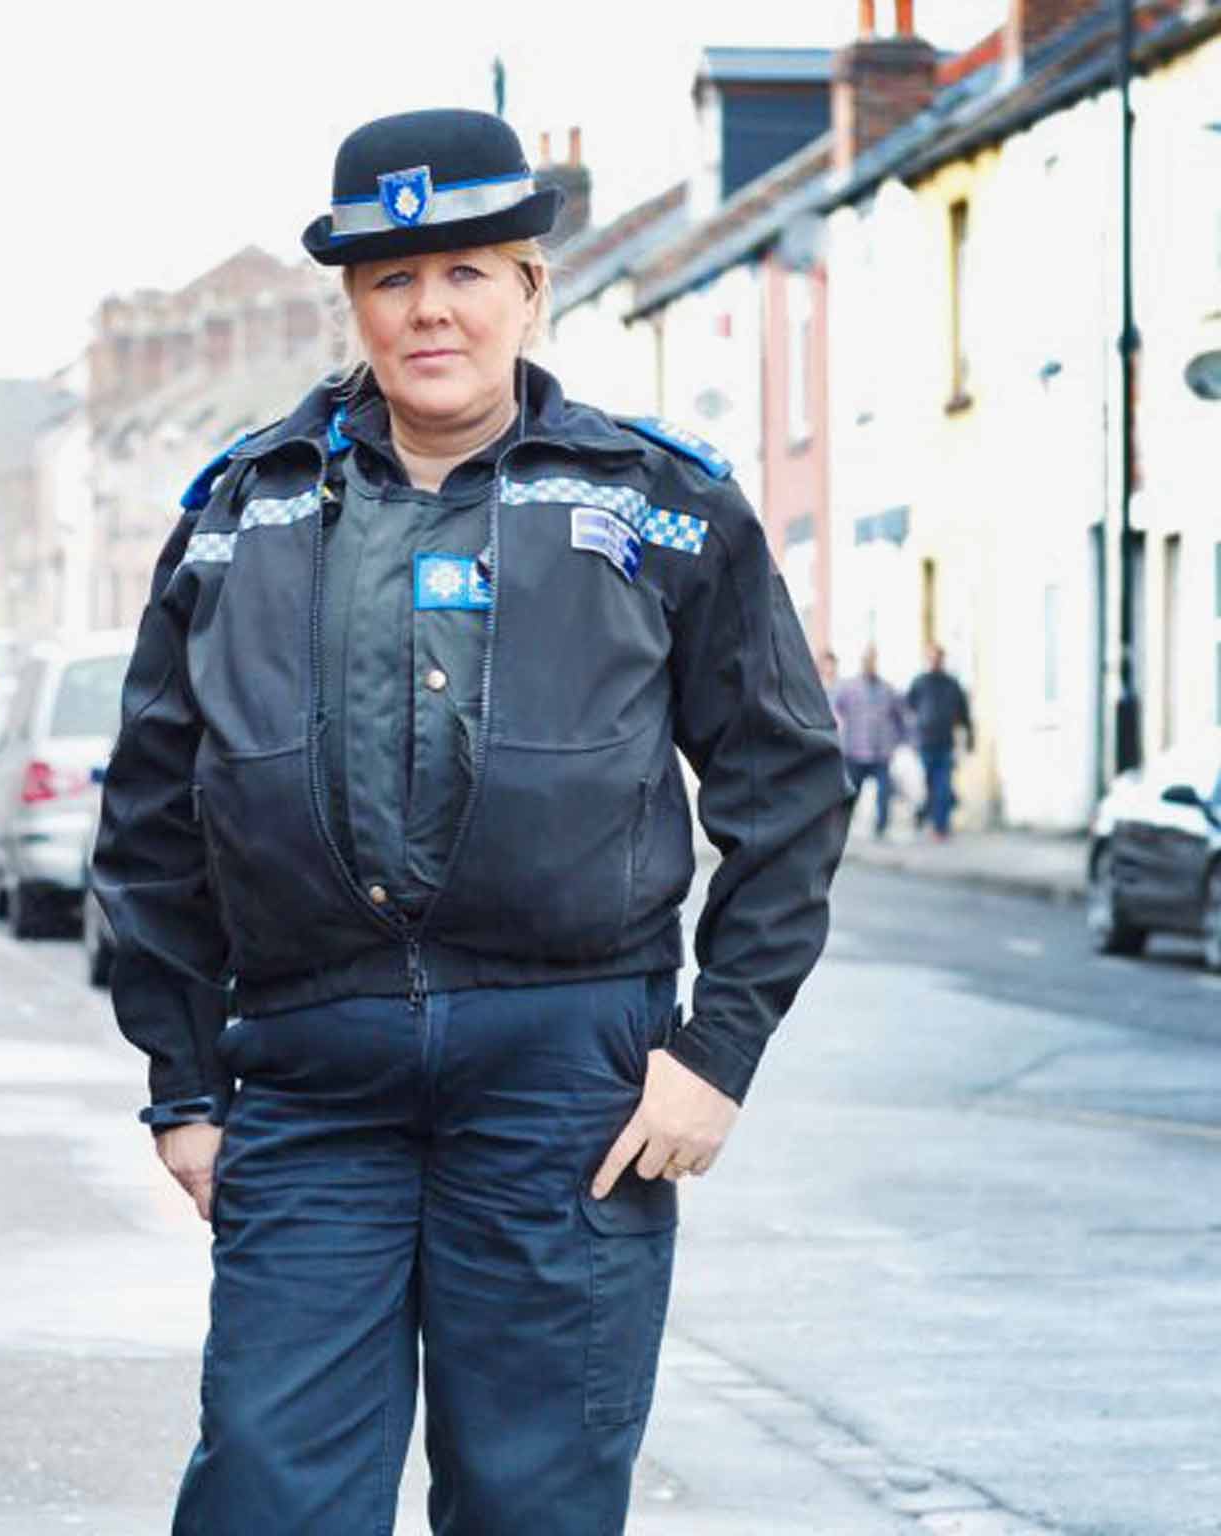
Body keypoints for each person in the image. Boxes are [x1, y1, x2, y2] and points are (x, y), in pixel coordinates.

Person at [91, 109, 851, 1534]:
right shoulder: (238, 517)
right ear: (353, 299)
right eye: (392, 277)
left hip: (572, 1089)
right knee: (267, 1492)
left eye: (465, 271)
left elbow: (787, 782)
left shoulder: (660, 506)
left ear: (529, 286)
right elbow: (150, 826)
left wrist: (717, 1053)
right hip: (311, 1096)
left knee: (535, 1503)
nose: (428, 307)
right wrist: (184, 1083)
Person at [831, 645, 911, 839]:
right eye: (867, 660)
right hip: (855, 751)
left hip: (881, 752)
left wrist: (899, 741)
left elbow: (901, 716)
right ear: (862, 663)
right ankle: (841, 829)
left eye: (873, 660)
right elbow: (834, 709)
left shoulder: (887, 689)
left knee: (884, 792)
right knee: (852, 793)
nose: (870, 664)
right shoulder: (849, 688)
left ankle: (881, 827)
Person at [907, 645, 973, 838]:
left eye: (938, 658)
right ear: (928, 660)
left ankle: (940, 827)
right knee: (929, 786)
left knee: (943, 785)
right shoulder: (919, 682)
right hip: (925, 742)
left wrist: (970, 737)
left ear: (943, 659)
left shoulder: (952, 684)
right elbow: (909, 708)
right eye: (932, 658)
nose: (935, 661)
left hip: (946, 743)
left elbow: (964, 712)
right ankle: (927, 815)